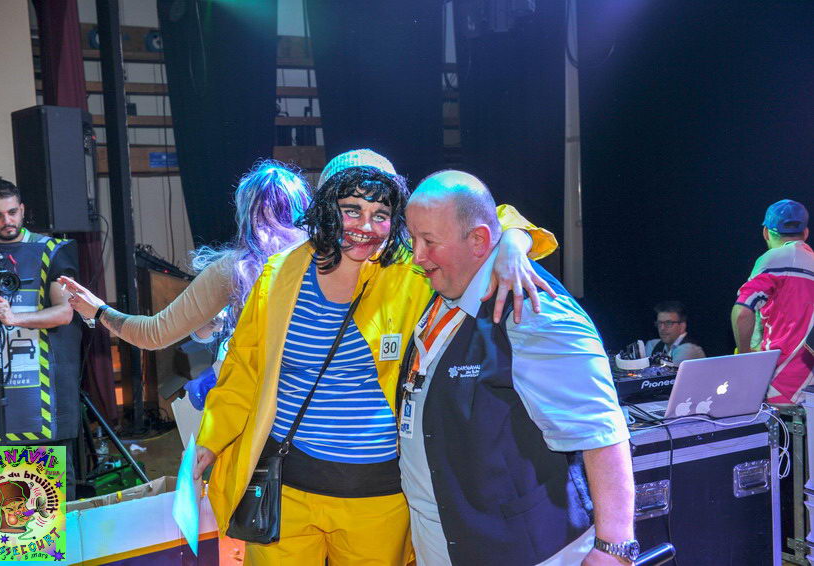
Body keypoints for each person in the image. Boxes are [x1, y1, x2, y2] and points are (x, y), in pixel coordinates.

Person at [193, 149, 558, 565]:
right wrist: (210, 441)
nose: (365, 227)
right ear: (325, 207)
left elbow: (476, 219)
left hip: (377, 498)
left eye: (380, 214)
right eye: (351, 210)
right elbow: (243, 372)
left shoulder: (413, 273)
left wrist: (513, 241)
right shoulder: (280, 274)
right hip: (285, 491)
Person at [401, 170, 636, 566]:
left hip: (526, 549)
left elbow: (601, 432)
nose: (417, 256)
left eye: (429, 242)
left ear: (479, 241)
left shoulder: (531, 309)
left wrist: (614, 547)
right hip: (453, 541)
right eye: (413, 239)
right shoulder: (453, 285)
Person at [60, 160, 310, 355]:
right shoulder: (325, 261)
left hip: (269, 400)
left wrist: (99, 310)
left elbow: (154, 334)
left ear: (246, 214)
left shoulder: (234, 270)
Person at [0, 176, 81, 498]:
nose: (7, 221)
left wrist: (15, 318)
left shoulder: (53, 251)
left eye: (12, 212)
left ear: (22, 209)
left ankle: (54, 536)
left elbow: (65, 312)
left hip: (44, 393)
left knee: (49, 500)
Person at [732, 199, 814, 405]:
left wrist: (744, 357)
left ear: (766, 232)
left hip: (781, 383)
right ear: (805, 233)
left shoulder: (772, 259)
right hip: (810, 385)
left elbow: (742, 313)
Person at [644, 300, 705, 364]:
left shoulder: (688, 349)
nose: (662, 328)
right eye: (659, 323)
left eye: (668, 323)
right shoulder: (653, 344)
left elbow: (670, 370)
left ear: (682, 326)